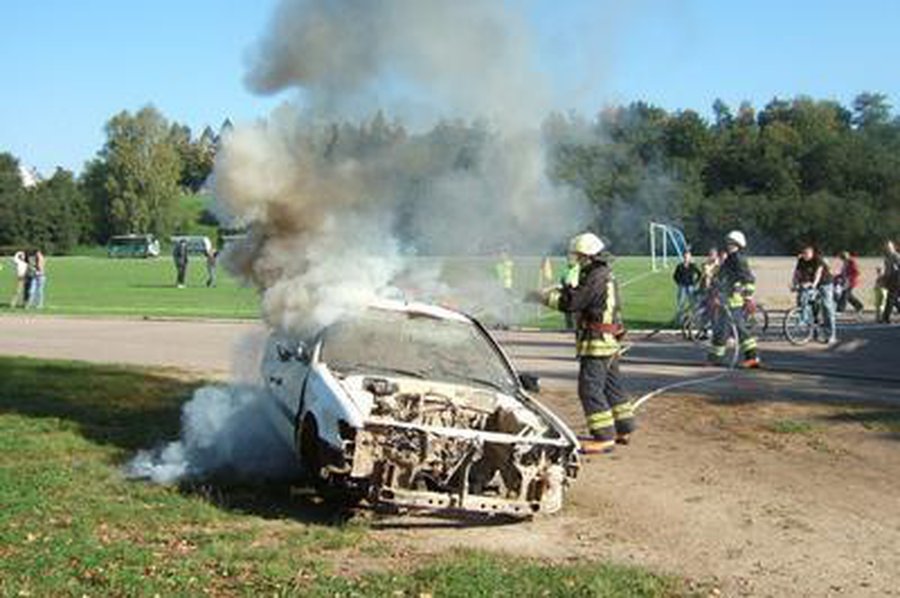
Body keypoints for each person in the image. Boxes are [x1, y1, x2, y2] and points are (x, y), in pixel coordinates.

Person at [530, 232, 635, 454]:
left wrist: (541, 297)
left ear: (587, 256)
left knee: (589, 388)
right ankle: (624, 428)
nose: (575, 259)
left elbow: (573, 303)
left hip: (597, 342)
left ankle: (604, 437)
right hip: (608, 341)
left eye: (577, 255)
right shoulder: (601, 273)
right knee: (612, 387)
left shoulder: (595, 276)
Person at [709, 230, 761, 368]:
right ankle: (716, 357)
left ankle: (753, 357)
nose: (728, 245)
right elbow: (722, 278)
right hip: (725, 300)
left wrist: (748, 298)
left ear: (737, 244)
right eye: (728, 243)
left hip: (734, 301)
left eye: (731, 243)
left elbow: (749, 279)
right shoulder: (731, 258)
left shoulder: (738, 259)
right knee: (721, 329)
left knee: (739, 330)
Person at [791, 245, 837, 343]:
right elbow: (796, 273)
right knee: (803, 298)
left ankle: (831, 335)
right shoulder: (801, 260)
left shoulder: (818, 259)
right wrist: (794, 284)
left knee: (826, 306)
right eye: (804, 254)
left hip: (825, 283)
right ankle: (808, 325)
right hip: (811, 282)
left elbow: (818, 273)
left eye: (807, 254)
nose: (805, 256)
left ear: (812, 253)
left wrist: (813, 285)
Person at [672, 250, 701, 322]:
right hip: (682, 287)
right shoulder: (680, 266)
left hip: (691, 287)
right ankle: (680, 320)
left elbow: (699, 274)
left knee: (693, 304)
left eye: (688, 257)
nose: (686, 258)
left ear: (690, 257)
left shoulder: (693, 266)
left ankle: (695, 320)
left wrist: (695, 282)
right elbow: (675, 276)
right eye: (685, 257)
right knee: (681, 304)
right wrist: (679, 282)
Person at [881, 240, 900, 323]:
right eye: (886, 247)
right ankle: (886, 317)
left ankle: (886, 317)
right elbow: (886, 270)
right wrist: (884, 279)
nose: (888, 248)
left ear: (893, 247)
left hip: (897, 279)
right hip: (891, 280)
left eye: (889, 247)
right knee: (893, 299)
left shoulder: (896, 256)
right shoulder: (887, 257)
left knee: (891, 298)